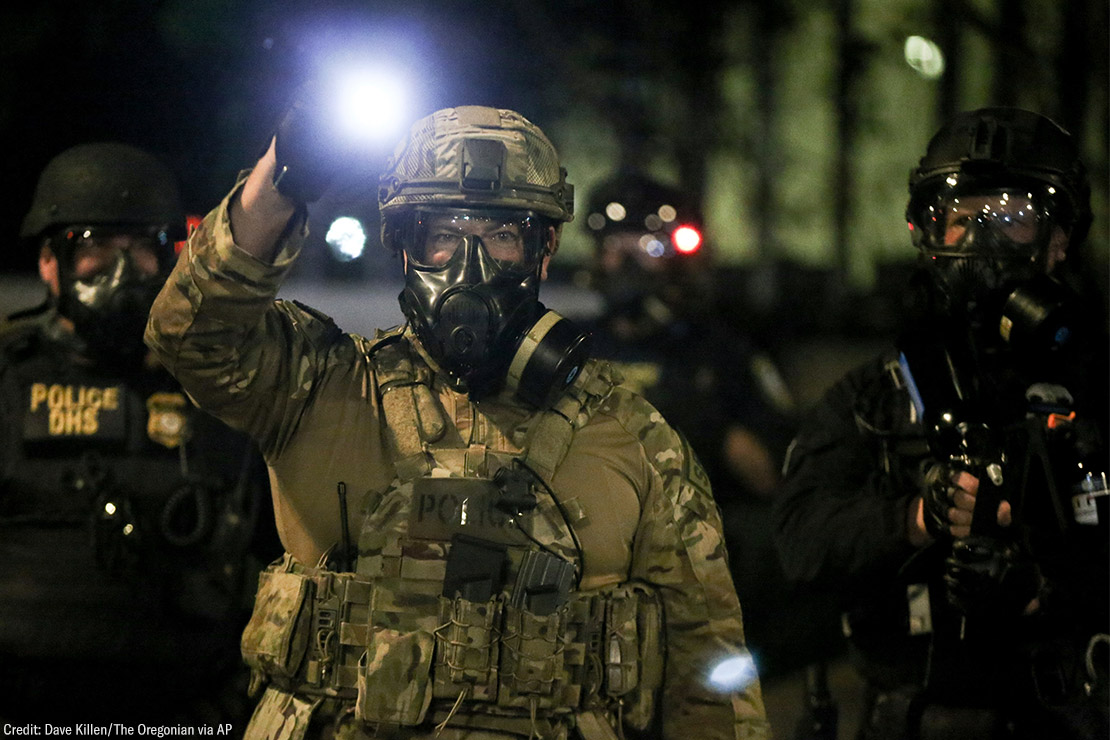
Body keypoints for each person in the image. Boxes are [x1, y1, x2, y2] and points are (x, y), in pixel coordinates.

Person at [145, 103, 771, 740]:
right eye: (442, 234)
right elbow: (190, 336)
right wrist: (276, 186)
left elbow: (712, 674)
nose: (468, 267)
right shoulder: (315, 388)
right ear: (404, 246)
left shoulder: (632, 435)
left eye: (501, 237)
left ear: (543, 250)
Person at [774, 107, 1108, 740]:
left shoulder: (1096, 384)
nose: (981, 240)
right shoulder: (879, 392)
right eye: (963, 217)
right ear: (929, 233)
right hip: (912, 719)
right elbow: (799, 541)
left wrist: (1050, 587)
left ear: (1059, 239)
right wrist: (920, 515)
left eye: (1012, 218)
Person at [0, 142, 276, 724]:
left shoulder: (216, 385)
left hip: (185, 707)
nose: (122, 271)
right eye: (93, 247)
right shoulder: (7, 378)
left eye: (142, 249)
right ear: (49, 261)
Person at [580, 171, 833, 680]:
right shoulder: (571, 348)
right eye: (616, 246)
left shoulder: (722, 352)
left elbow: (778, 483)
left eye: (647, 246)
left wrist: (707, 425)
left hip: (693, 554)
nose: (628, 262)